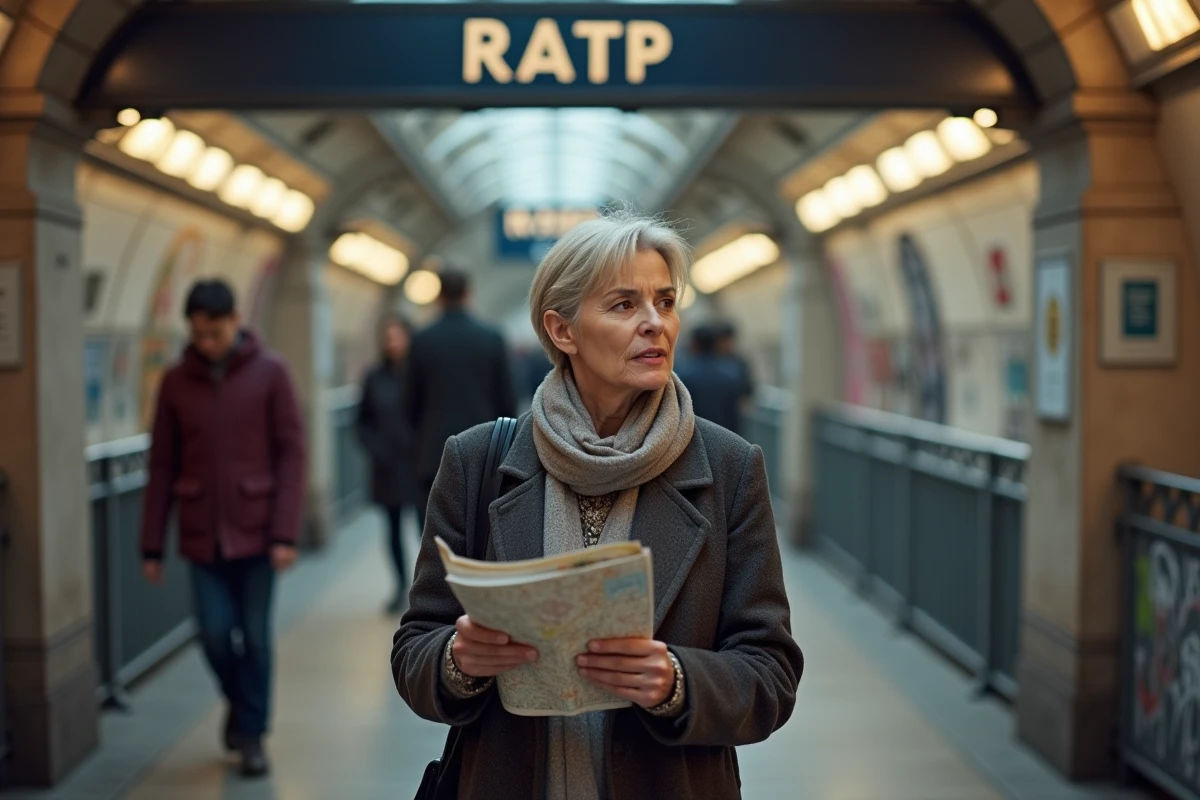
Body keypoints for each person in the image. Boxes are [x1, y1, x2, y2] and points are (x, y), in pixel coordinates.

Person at [392, 214, 803, 799]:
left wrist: (677, 681)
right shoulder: (477, 460)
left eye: (665, 301)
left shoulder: (729, 468)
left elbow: (771, 673)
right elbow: (414, 649)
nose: (654, 323)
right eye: (623, 305)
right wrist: (458, 659)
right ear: (563, 331)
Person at [140, 279, 305, 778]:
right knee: (212, 634)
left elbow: (291, 453)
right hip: (200, 534)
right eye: (198, 334)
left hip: (257, 533)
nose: (206, 343)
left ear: (234, 320)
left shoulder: (271, 372)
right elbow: (162, 463)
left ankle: (252, 735)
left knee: (254, 637)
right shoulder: (175, 382)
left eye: (214, 332)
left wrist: (284, 533)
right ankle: (241, 702)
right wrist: (150, 543)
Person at [403, 267, 517, 532]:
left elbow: (409, 404)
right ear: (468, 293)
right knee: (479, 533)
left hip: (433, 454)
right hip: (485, 453)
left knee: (435, 535)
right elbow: (507, 400)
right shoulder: (491, 337)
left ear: (438, 296)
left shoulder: (421, 340)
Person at [357, 314, 418, 615]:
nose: (392, 342)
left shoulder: (423, 374)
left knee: (428, 529)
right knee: (392, 529)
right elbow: (362, 421)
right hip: (387, 467)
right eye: (388, 336)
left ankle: (428, 589)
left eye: (398, 336)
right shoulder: (374, 377)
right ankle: (399, 586)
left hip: (419, 466)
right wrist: (376, 448)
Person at [675, 322, 750, 435]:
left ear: (694, 343)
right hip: (728, 436)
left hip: (695, 437)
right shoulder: (732, 373)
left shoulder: (684, 374)